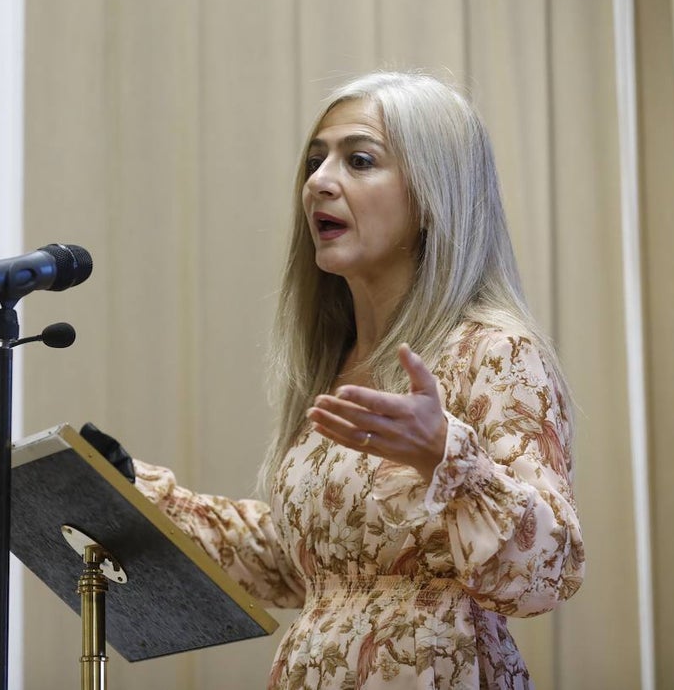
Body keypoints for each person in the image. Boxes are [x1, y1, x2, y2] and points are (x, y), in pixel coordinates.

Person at [88, 71, 584, 689]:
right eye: (316, 161)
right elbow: (302, 567)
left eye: (359, 160)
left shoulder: (496, 351)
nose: (319, 182)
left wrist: (448, 457)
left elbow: (546, 572)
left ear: (434, 195)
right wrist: (139, 496)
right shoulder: (334, 359)